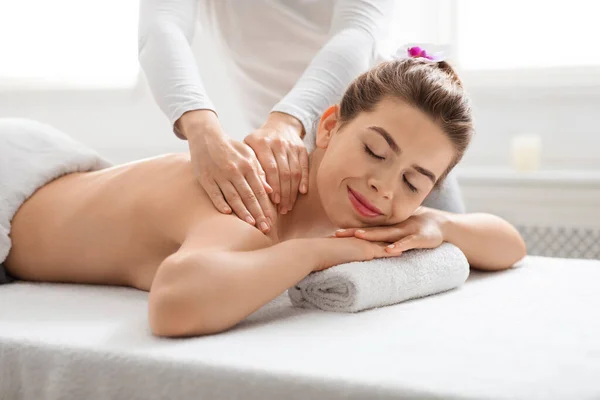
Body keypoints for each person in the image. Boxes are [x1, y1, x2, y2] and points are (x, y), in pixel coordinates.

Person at [3, 58, 527, 338]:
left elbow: (510, 246)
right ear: (328, 127)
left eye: (415, 182)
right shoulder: (255, 194)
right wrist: (316, 253)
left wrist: (441, 225)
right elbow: (174, 305)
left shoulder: (375, 203)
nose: (385, 186)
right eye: (374, 150)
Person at [138, 0, 467, 235]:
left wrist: (288, 121)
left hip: (378, 134)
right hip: (281, 149)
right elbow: (161, 26)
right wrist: (202, 130)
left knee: (449, 261)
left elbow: (358, 31)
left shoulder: (397, 173)